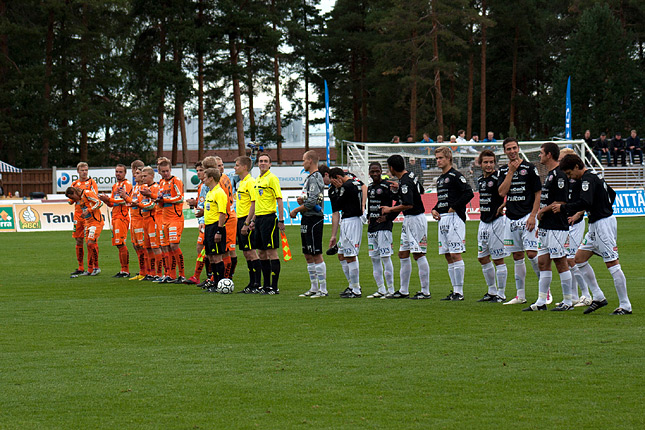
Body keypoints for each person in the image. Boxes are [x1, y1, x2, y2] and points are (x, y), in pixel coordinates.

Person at [554, 154, 632, 315]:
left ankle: (625, 305)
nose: (570, 177)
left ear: (577, 166)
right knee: (579, 259)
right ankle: (598, 297)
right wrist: (600, 207)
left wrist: (563, 208)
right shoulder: (596, 177)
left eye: (569, 173)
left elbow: (585, 202)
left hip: (603, 224)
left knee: (612, 263)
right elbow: (612, 194)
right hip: (596, 223)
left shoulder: (587, 180)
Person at [523, 142, 573, 311]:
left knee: (560, 262)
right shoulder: (550, 174)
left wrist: (541, 210)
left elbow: (562, 201)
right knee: (542, 262)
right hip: (545, 226)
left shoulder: (559, 175)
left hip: (557, 226)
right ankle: (541, 301)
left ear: (549, 155)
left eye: (541, 153)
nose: (539, 156)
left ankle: (568, 301)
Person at [498, 137, 542, 305]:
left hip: (527, 216)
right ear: (504, 151)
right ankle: (520, 295)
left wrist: (533, 215)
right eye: (508, 149)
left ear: (518, 148)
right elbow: (502, 192)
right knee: (517, 255)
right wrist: (510, 172)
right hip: (510, 217)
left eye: (514, 148)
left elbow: (538, 193)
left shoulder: (529, 168)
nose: (512, 151)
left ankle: (545, 291)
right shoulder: (503, 170)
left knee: (531, 253)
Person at [383, 155, 430, 299]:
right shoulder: (410, 176)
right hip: (409, 220)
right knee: (403, 253)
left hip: (415, 219)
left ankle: (425, 291)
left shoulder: (405, 182)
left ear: (391, 168)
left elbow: (409, 204)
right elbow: (420, 190)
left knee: (418, 253)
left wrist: (389, 209)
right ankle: (403, 290)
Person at [431, 147, 474, 300]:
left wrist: (455, 207)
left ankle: (460, 292)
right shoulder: (441, 179)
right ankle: (455, 290)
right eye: (436, 158)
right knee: (448, 255)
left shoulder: (456, 176)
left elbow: (469, 193)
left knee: (455, 254)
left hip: (455, 218)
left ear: (449, 158)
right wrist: (435, 209)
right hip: (443, 219)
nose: (438, 160)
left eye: (441, 157)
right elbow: (443, 198)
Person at [290, 151, 327, 298]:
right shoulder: (310, 178)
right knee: (307, 253)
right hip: (307, 218)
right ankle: (314, 287)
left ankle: (323, 289)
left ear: (310, 161)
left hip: (314, 218)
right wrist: (302, 199)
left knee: (316, 253)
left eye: (304, 160)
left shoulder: (316, 177)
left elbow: (313, 202)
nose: (302, 163)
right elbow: (311, 197)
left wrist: (297, 209)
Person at [558, 148, 591, 307]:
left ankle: (586, 294)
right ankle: (573, 296)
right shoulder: (562, 176)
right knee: (565, 259)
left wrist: (579, 213)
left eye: (564, 159)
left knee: (572, 258)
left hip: (575, 222)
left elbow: (586, 200)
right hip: (564, 222)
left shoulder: (580, 178)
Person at [475, 150, 508, 303]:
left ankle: (501, 293)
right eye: (485, 162)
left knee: (498, 259)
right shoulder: (480, 179)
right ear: (480, 164)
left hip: (496, 222)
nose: (488, 165)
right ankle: (491, 291)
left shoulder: (499, 177)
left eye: (491, 162)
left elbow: (509, 192)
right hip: (483, 221)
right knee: (482, 257)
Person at [328, 167, 364, 298]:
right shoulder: (353, 183)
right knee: (341, 254)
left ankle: (356, 289)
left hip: (351, 221)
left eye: (333, 182)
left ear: (337, 178)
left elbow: (338, 204)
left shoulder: (346, 186)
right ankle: (352, 285)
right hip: (347, 221)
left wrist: (338, 190)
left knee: (350, 255)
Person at [253, 153, 285, 294]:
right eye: (261, 161)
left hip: (269, 219)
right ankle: (266, 285)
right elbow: (256, 202)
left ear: (270, 164)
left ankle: (274, 286)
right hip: (259, 219)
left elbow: (279, 199)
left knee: (271, 251)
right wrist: (253, 220)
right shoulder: (258, 180)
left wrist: (281, 220)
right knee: (261, 252)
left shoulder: (272, 179)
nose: (263, 163)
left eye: (266, 161)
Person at [364, 162, 397, 299]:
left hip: (384, 228)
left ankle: (391, 290)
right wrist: (368, 215)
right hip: (372, 227)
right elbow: (371, 205)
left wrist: (389, 217)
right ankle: (381, 289)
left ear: (381, 171)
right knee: (374, 259)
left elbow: (400, 202)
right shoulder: (370, 187)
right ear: (369, 173)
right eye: (372, 171)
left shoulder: (387, 185)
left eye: (377, 171)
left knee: (385, 257)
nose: (375, 174)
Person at [154, 157, 186, 283]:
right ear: (159, 172)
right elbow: (162, 202)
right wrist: (160, 201)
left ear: (171, 169)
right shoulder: (161, 183)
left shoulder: (176, 181)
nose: (166, 173)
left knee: (174, 245)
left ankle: (182, 275)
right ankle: (170, 275)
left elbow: (179, 198)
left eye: (167, 171)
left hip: (175, 218)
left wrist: (164, 200)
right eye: (163, 171)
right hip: (164, 218)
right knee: (165, 247)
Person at [233, 155, 262, 294]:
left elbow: (254, 203)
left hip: (245, 219)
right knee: (246, 253)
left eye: (237, 165)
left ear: (245, 167)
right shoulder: (242, 182)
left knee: (251, 252)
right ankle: (251, 283)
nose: (235, 167)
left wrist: (248, 222)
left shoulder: (250, 182)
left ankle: (257, 283)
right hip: (240, 219)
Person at [99, 164, 133, 278]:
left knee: (121, 243)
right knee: (118, 244)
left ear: (125, 173)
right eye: (116, 172)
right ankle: (123, 269)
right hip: (115, 216)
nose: (118, 174)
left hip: (122, 216)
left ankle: (126, 270)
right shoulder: (115, 186)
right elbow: (113, 203)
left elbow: (124, 200)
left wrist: (109, 199)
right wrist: (106, 201)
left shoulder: (127, 184)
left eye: (120, 172)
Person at [66, 185, 104, 277]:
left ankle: (96, 267)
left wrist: (89, 210)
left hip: (96, 222)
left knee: (91, 243)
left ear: (74, 193)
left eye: (72, 197)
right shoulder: (80, 198)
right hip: (88, 223)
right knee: (88, 245)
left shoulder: (87, 193)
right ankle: (90, 269)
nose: (74, 200)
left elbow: (99, 203)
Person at [69, 162, 98, 277]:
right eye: (82, 170)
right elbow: (71, 200)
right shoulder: (74, 184)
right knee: (78, 240)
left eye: (86, 170)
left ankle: (95, 266)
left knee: (91, 241)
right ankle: (81, 267)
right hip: (78, 215)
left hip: (89, 216)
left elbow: (95, 197)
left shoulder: (91, 183)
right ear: (78, 171)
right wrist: (71, 199)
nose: (84, 172)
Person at [202, 167, 228, 292]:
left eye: (205, 177)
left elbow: (222, 213)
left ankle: (220, 283)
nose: (203, 179)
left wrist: (219, 230)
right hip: (208, 227)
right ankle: (215, 282)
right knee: (211, 256)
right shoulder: (210, 192)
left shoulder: (219, 193)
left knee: (217, 257)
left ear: (211, 178)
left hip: (216, 227)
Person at [136, 166, 163, 281]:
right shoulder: (144, 187)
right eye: (142, 176)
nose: (143, 178)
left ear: (152, 176)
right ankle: (151, 273)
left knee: (155, 247)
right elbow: (143, 202)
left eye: (145, 176)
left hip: (153, 220)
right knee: (147, 248)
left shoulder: (156, 188)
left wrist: (138, 205)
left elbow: (152, 205)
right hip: (144, 221)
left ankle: (160, 273)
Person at [124, 160, 148, 281]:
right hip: (133, 219)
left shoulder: (143, 188)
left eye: (138, 173)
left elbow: (138, 203)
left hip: (140, 220)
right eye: (135, 172)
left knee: (142, 246)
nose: (135, 175)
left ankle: (147, 271)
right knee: (135, 245)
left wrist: (125, 197)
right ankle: (142, 271)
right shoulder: (135, 188)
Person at [185, 161, 208, 285]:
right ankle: (199, 276)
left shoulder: (208, 185)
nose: (199, 172)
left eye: (201, 170)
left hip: (209, 221)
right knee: (201, 248)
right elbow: (202, 203)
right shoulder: (201, 186)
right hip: (203, 220)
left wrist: (203, 221)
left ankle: (204, 276)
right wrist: (195, 202)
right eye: (197, 170)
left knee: (205, 248)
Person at [215, 156, 238, 280]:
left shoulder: (221, 179)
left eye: (222, 165)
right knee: (225, 250)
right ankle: (223, 277)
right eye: (218, 165)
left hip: (227, 217)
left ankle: (227, 278)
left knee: (227, 250)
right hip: (228, 216)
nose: (221, 167)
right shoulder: (224, 177)